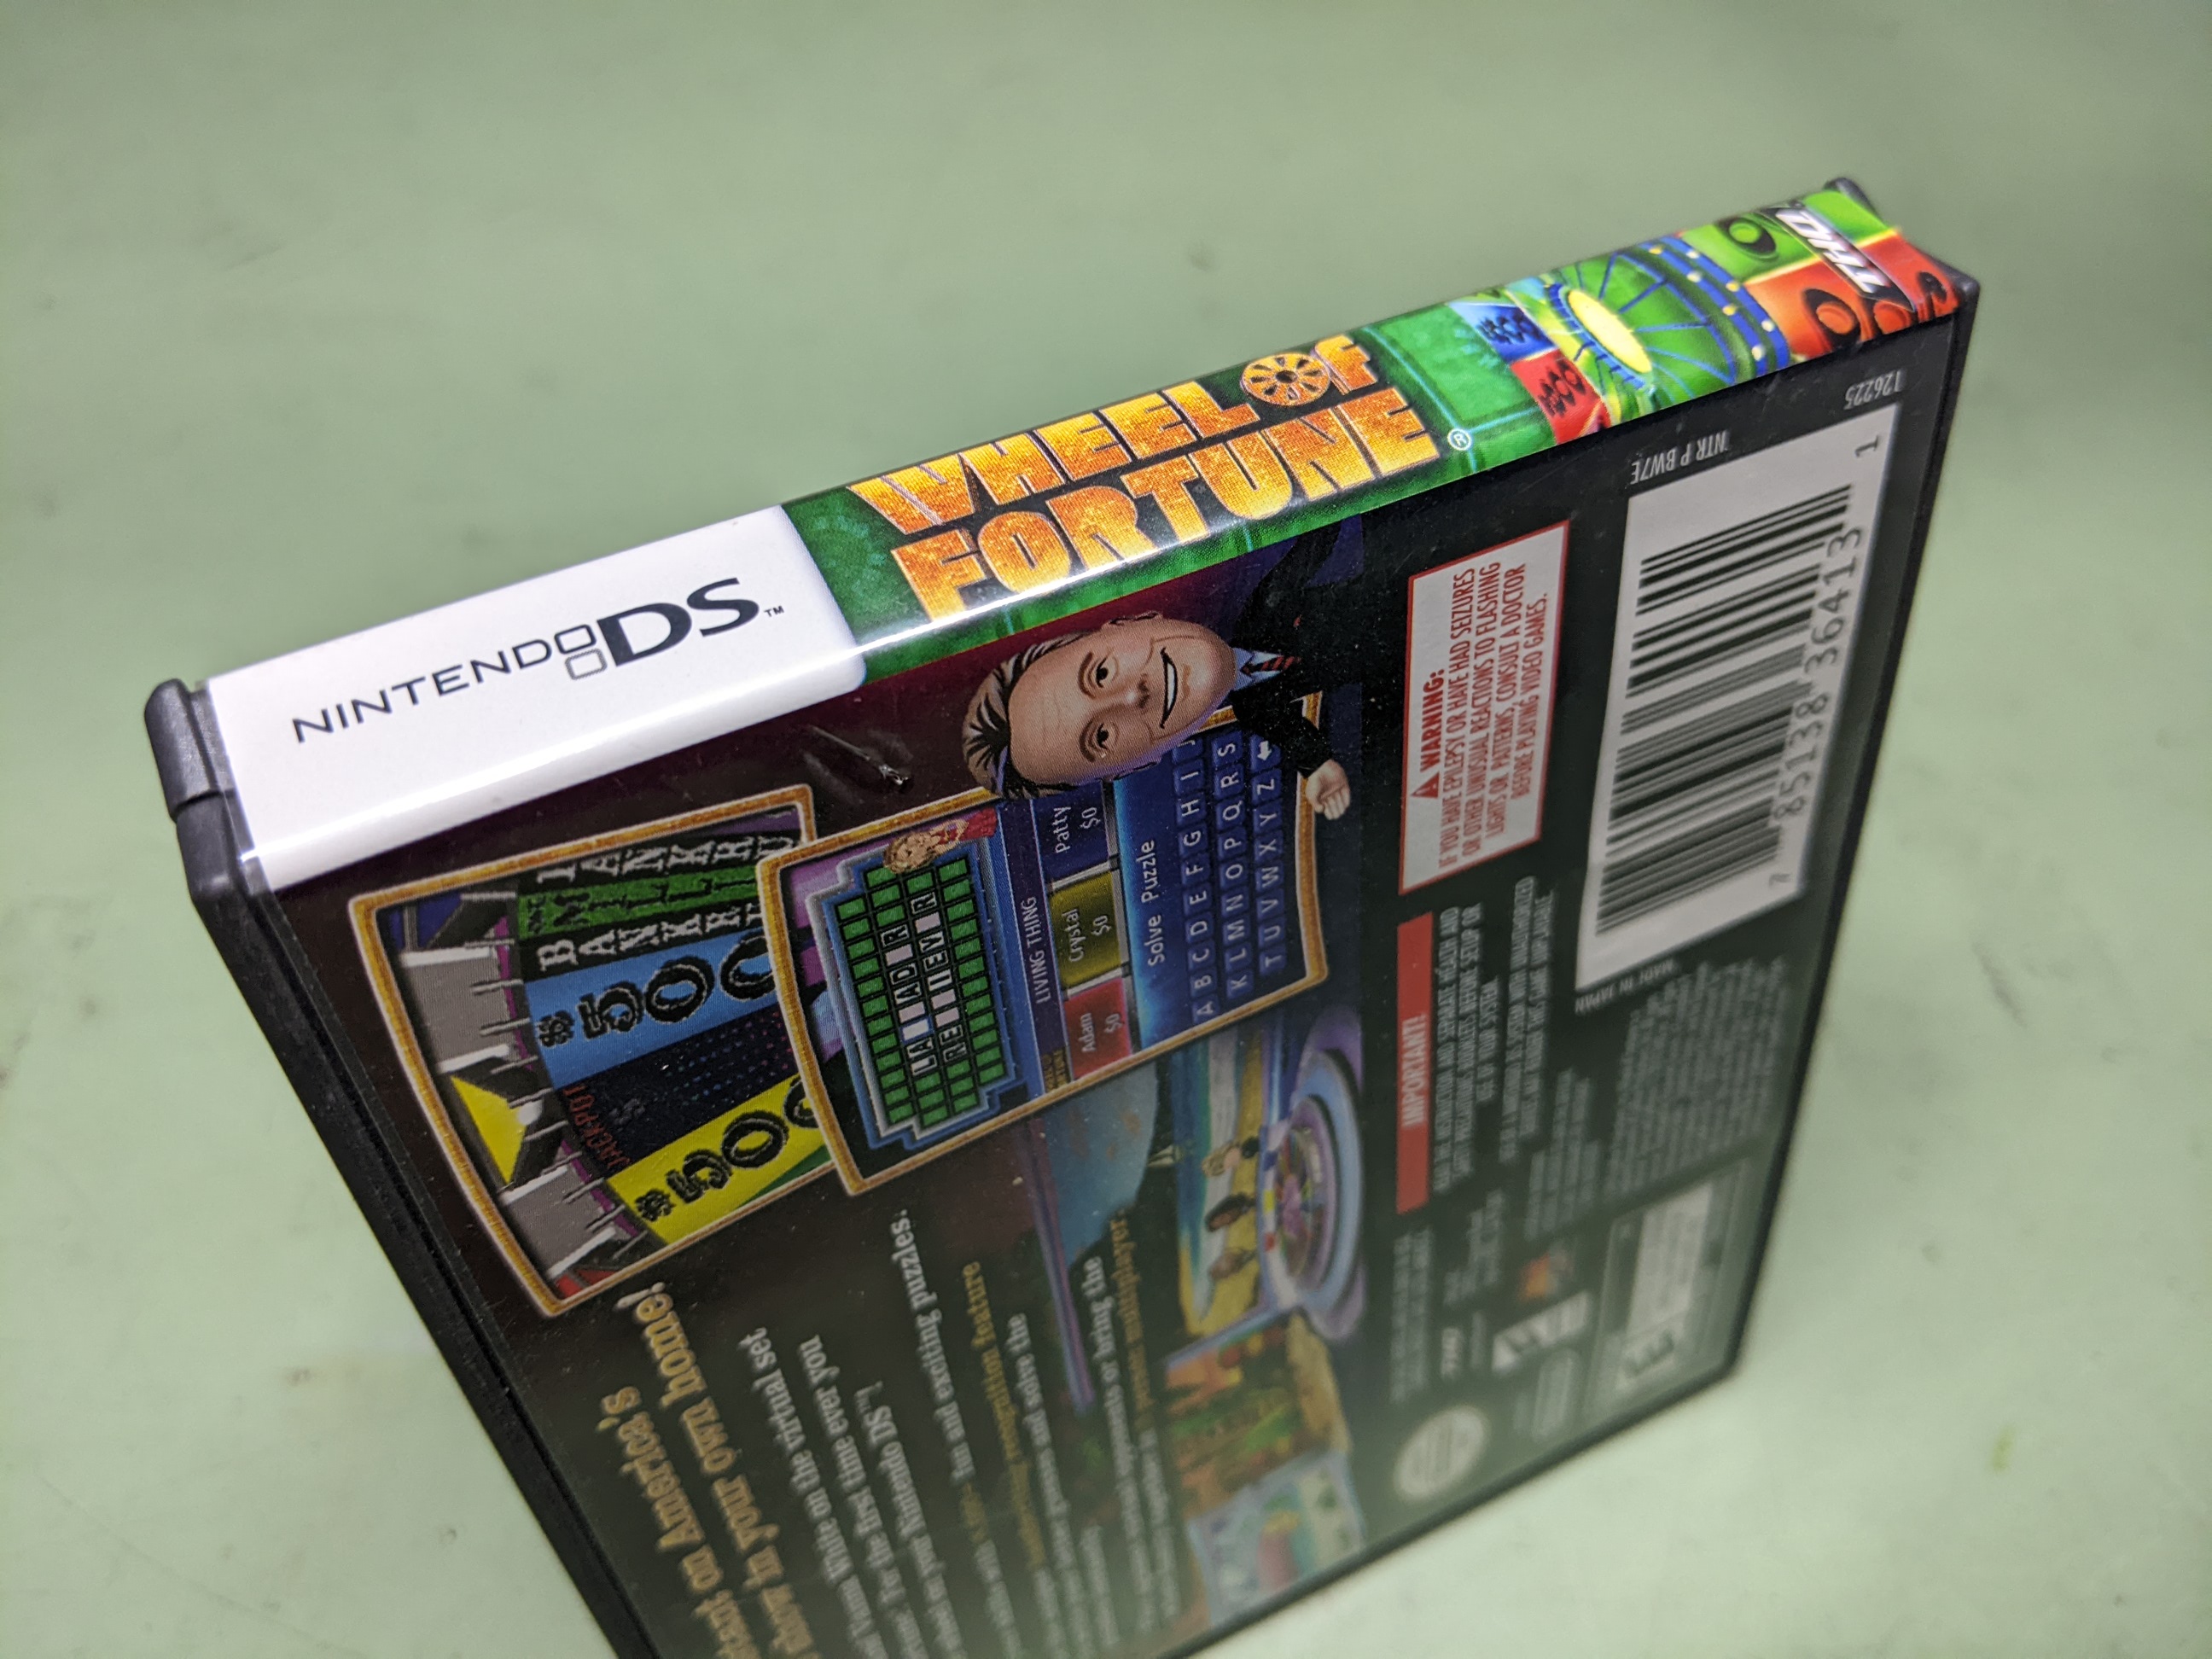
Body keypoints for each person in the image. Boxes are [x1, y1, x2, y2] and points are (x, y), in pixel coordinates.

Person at [960, 524, 1369, 818]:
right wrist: (1320, 767)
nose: (1132, 696)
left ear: (1132, 621)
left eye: (1100, 674)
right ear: (1140, 765)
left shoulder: (1267, 604)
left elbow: (1317, 543)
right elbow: (1290, 732)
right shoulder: (1254, 708)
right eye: (1102, 737)